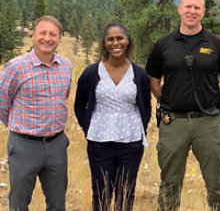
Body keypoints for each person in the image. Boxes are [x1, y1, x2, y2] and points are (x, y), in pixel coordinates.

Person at [145, 0, 220, 211]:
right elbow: (153, 81)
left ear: (203, 12)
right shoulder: (163, 44)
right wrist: (169, 100)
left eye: (197, 7)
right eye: (188, 6)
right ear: (180, 9)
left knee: (216, 184)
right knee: (169, 184)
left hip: (208, 123)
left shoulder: (217, 45)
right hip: (173, 123)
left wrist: (215, 106)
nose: (192, 11)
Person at [74, 22, 151, 210]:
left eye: (120, 38)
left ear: (127, 41)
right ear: (104, 43)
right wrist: (88, 128)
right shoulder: (92, 72)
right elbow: (79, 105)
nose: (115, 43)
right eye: (110, 39)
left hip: (131, 142)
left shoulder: (139, 73)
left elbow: (146, 107)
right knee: (101, 193)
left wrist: (140, 130)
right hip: (99, 142)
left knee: (126, 193)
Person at [0, 15, 72, 211]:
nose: (47, 38)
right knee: (19, 204)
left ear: (59, 38)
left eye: (53, 34)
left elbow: (63, 97)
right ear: (33, 35)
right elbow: (3, 104)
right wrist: (21, 129)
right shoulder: (15, 67)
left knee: (58, 204)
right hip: (24, 146)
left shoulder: (66, 66)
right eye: (43, 33)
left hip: (56, 145)